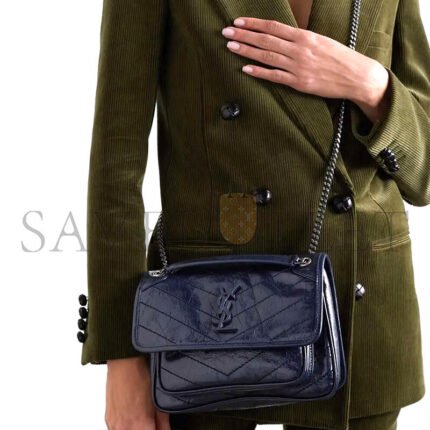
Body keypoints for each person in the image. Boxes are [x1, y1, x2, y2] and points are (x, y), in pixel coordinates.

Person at [77, 0, 430, 429]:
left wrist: (371, 85)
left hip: (358, 301)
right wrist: (122, 353)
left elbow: (425, 174)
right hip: (209, 316)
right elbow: (116, 165)